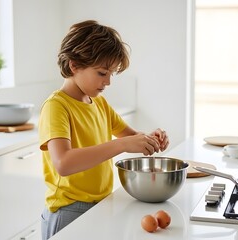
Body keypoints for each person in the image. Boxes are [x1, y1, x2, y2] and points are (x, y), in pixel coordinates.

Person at [38, 20, 170, 239]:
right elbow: (63, 163)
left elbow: (130, 137)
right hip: (67, 211)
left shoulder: (98, 103)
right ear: (74, 65)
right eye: (101, 73)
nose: (108, 81)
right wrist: (121, 145)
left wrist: (150, 137)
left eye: (111, 74)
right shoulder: (56, 106)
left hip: (101, 203)